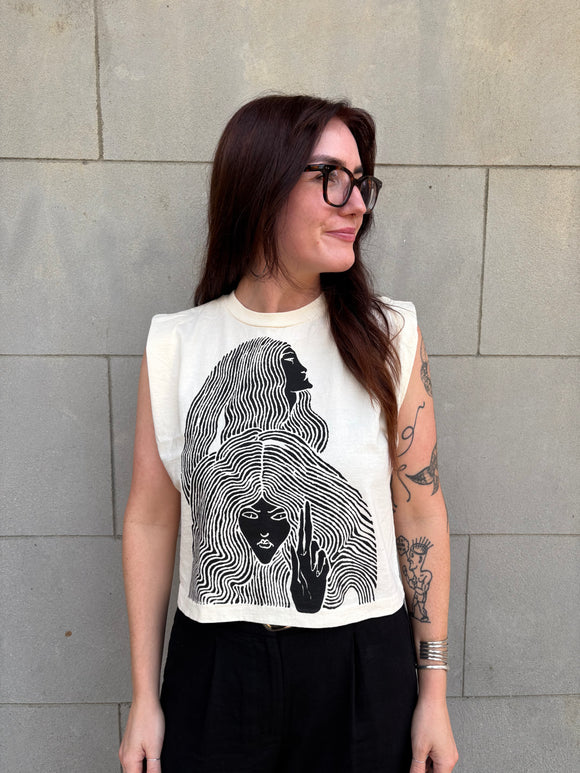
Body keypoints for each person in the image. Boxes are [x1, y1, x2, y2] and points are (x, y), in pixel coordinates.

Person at [119, 94, 458, 773]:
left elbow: (420, 511)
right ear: (262, 182)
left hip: (362, 669)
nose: (356, 204)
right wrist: (144, 697)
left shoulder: (391, 337)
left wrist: (434, 693)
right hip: (215, 669)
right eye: (331, 177)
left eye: (361, 182)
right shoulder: (176, 345)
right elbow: (151, 521)